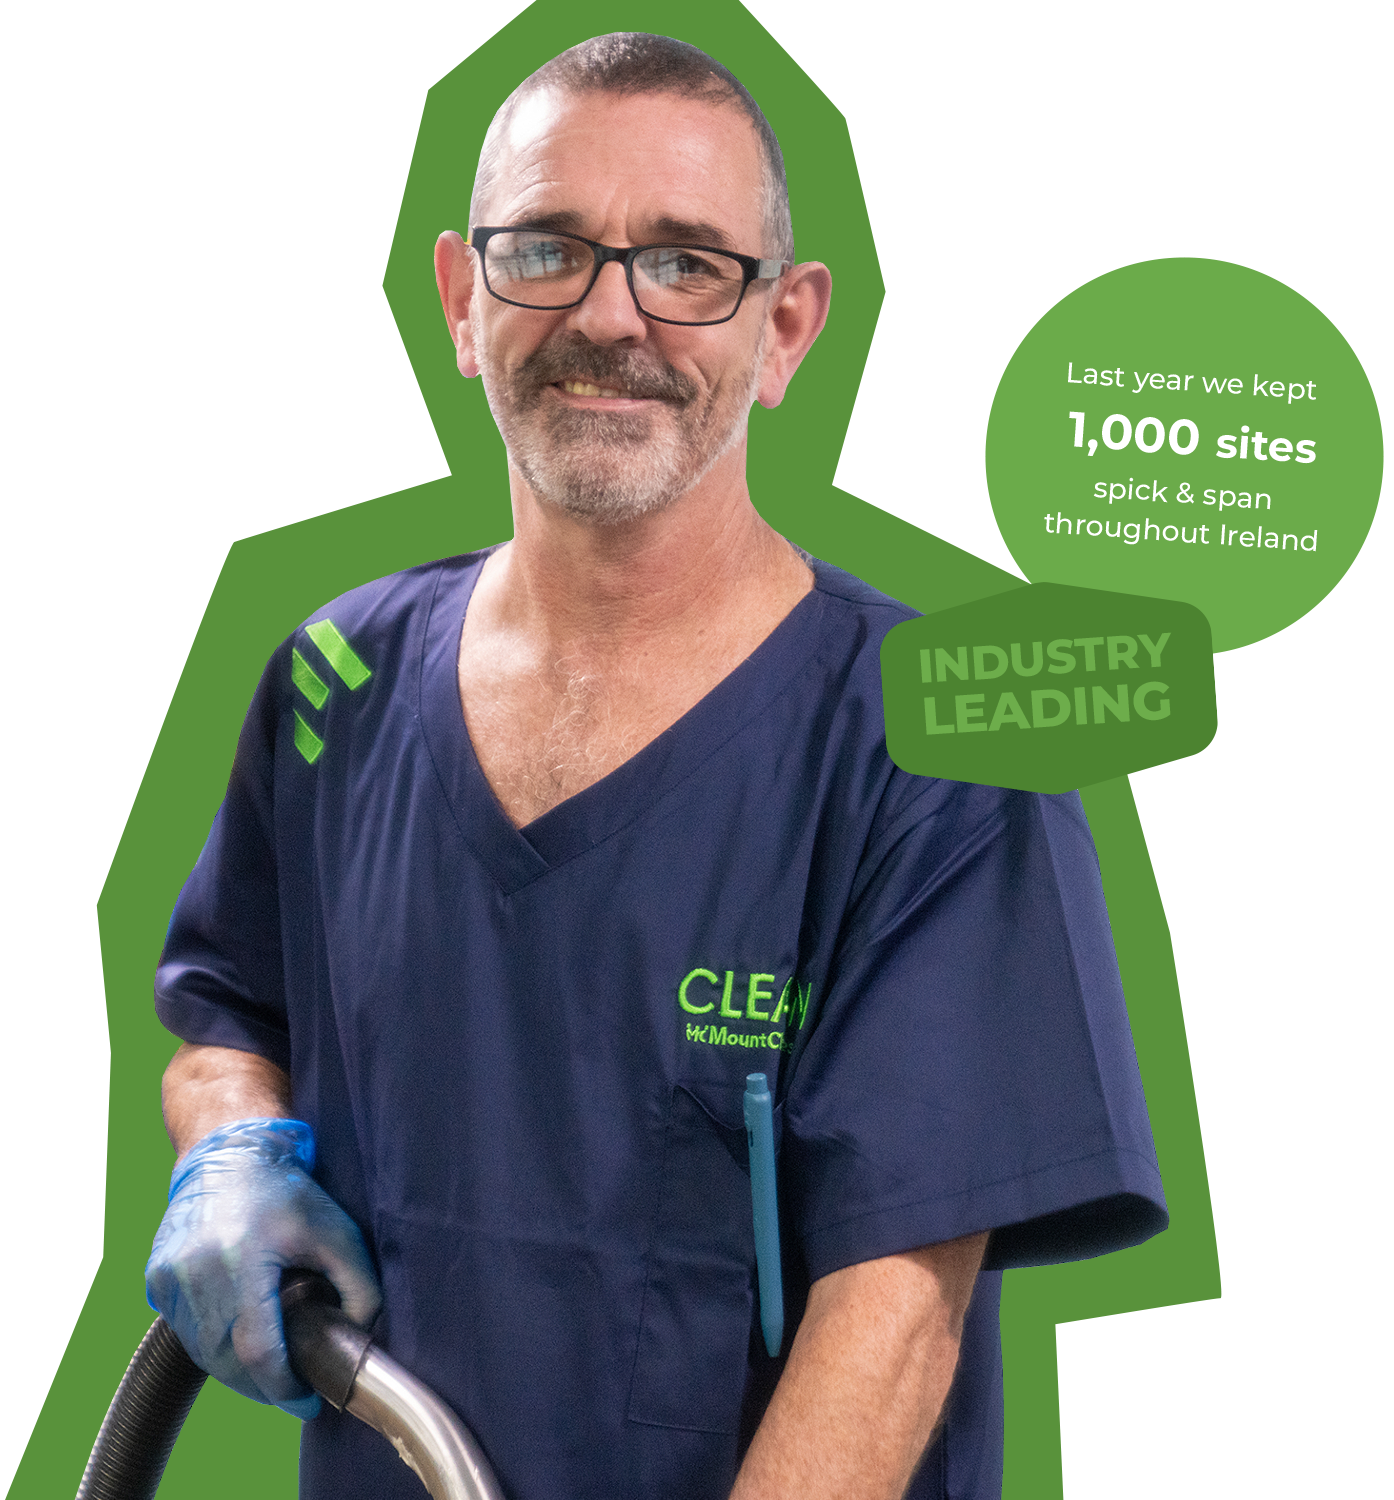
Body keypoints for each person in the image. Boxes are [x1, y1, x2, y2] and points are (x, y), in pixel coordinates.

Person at [146, 32, 1168, 1500]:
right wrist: (231, 1151)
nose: (611, 315)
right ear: (458, 295)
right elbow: (228, 1015)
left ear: (787, 328)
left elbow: (894, 1310)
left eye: (687, 263)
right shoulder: (335, 683)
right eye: (548, 248)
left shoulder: (937, 748)